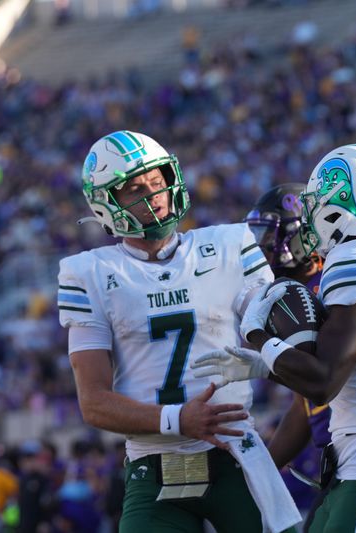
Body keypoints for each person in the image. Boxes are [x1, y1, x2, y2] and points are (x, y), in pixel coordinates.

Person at [58, 130, 300, 532]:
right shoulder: (89, 273)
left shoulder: (228, 244)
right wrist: (177, 419)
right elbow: (94, 402)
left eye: (157, 181)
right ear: (105, 203)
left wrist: (269, 354)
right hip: (153, 467)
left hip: (236, 454)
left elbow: (278, 331)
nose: (154, 194)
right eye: (135, 188)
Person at [193, 144, 356, 532]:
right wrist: (267, 365)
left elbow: (322, 383)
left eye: (319, 198)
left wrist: (259, 338)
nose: (311, 211)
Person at [245, 183, 330, 527]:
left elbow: (322, 380)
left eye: (273, 235)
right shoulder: (292, 289)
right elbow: (305, 402)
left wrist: (262, 349)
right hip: (340, 455)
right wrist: (262, 470)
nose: (263, 247)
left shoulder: (333, 282)